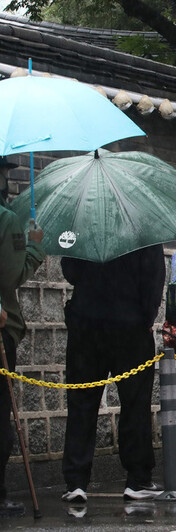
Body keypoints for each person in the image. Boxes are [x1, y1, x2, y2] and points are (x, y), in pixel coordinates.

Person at [60, 245, 165, 502]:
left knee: (82, 404)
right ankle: (137, 477)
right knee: (135, 404)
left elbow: (70, 271)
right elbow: (154, 277)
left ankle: (76, 480)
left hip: (86, 323)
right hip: (130, 324)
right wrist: (147, 317)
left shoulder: (83, 225)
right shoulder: (141, 228)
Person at [0, 156, 45, 517]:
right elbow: (12, 276)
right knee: (1, 413)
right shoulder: (6, 219)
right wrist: (33, 245)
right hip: (1, 327)